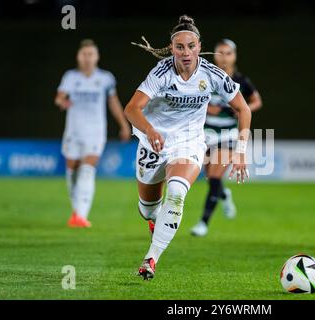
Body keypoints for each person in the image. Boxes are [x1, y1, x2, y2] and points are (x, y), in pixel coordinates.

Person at [124, 15, 252, 280]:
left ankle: (151, 259)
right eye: (180, 47)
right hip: (154, 141)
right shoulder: (161, 73)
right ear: (172, 48)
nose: (186, 52)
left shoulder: (212, 74)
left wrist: (240, 151)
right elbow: (131, 108)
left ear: (199, 46)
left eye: (191, 46)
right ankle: (154, 219)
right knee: (148, 208)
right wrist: (149, 129)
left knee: (177, 192)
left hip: (189, 142)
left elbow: (243, 108)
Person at [55, 39, 131, 228]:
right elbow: (59, 97)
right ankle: (77, 212)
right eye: (84, 54)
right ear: (78, 57)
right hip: (73, 130)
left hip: (96, 131)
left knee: (87, 170)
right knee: (72, 171)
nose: (87, 58)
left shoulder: (105, 78)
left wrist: (124, 125)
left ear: (97, 57)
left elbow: (113, 102)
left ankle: (81, 215)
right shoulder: (70, 77)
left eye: (91, 54)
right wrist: (61, 103)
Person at [191, 39, 262, 237]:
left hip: (228, 134)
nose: (224, 57)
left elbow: (256, 102)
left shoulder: (241, 80)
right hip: (205, 133)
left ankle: (203, 223)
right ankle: (224, 194)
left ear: (234, 56)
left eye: (228, 53)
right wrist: (206, 109)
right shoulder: (205, 77)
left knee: (214, 177)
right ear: (214, 55)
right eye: (220, 52)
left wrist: (233, 110)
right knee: (210, 178)